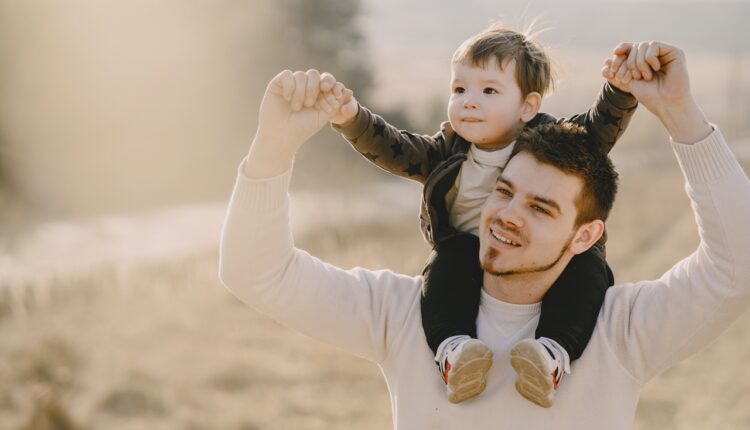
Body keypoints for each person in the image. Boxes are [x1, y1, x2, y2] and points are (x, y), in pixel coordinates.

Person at [219, 41, 750, 429]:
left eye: (541, 207)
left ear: (585, 236)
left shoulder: (621, 329)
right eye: (504, 191)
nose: (508, 215)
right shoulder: (403, 313)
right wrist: (273, 147)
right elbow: (254, 272)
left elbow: (738, 267)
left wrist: (680, 115)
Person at [327, 24, 638, 406]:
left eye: (489, 91)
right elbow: (395, 148)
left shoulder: (547, 141)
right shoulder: (447, 150)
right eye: (459, 89)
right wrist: (350, 118)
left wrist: (620, 90)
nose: (469, 101)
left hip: (545, 256)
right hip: (471, 255)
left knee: (588, 271)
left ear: (528, 106)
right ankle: (455, 353)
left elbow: (594, 134)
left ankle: (551, 355)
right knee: (444, 264)